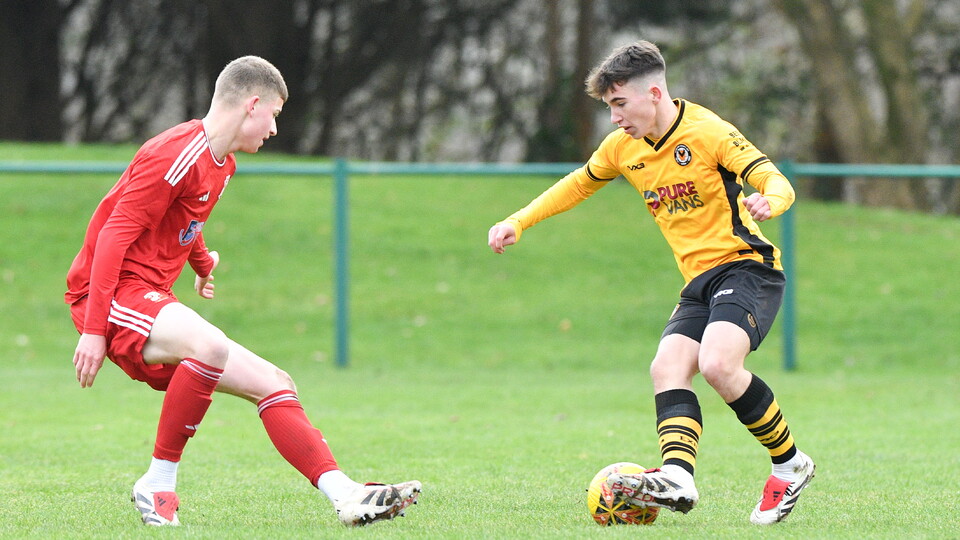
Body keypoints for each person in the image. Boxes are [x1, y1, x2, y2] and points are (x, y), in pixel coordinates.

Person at [65, 55, 420, 528]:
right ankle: (157, 484)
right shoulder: (174, 154)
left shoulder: (223, 164)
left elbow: (186, 218)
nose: (274, 129)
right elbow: (113, 235)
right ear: (252, 105)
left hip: (148, 295)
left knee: (275, 382)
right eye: (274, 114)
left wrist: (201, 263)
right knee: (210, 346)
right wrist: (94, 330)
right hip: (107, 294)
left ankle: (346, 495)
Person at [487, 40, 814, 525]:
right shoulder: (622, 148)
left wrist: (772, 200)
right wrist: (519, 220)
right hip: (699, 281)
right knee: (666, 368)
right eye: (609, 106)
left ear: (654, 94)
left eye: (620, 104)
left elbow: (773, 177)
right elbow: (578, 183)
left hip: (747, 267)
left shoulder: (708, 131)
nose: (615, 117)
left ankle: (790, 465)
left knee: (718, 364)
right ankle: (678, 477)